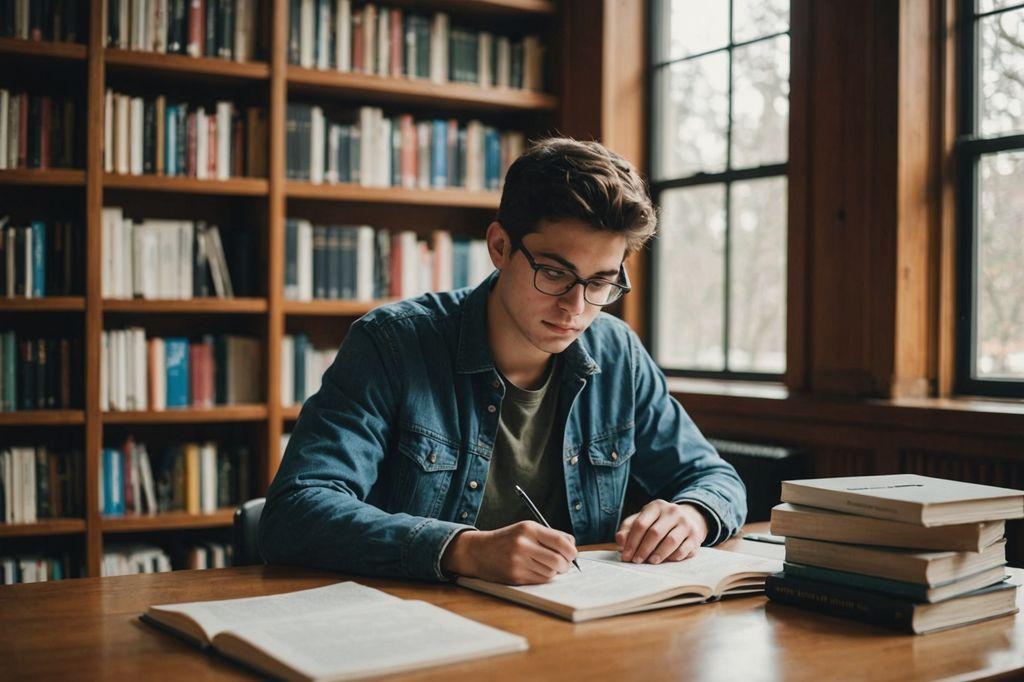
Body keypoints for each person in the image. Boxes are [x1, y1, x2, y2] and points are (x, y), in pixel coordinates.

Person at [258, 137, 747, 585]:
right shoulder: (391, 345)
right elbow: (297, 511)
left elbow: (715, 479)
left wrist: (693, 514)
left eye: (600, 282)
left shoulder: (618, 354)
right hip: (417, 633)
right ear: (499, 247)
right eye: (555, 273)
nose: (576, 308)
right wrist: (463, 550)